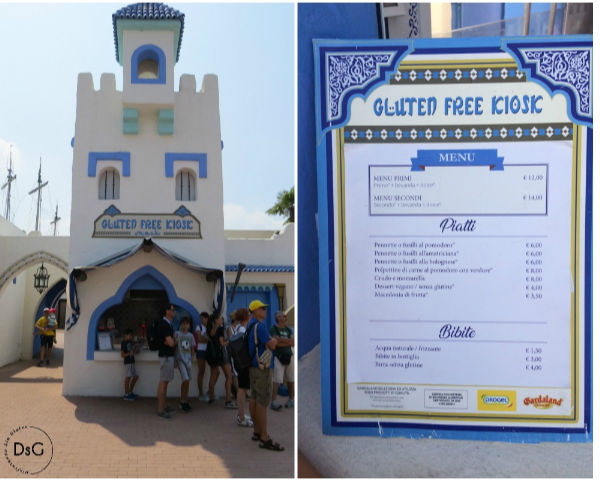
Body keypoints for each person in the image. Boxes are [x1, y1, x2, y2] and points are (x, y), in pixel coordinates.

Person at [247, 299, 284, 451]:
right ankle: (264, 436)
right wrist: (274, 340)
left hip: (252, 366)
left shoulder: (250, 325)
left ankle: (256, 431)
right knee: (262, 401)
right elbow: (272, 344)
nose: (265, 310)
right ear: (255, 311)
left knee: (254, 398)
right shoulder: (260, 326)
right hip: (262, 367)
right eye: (262, 308)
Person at [207, 315, 237, 408]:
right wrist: (230, 340)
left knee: (214, 375)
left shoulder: (210, 328)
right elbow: (222, 343)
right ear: (216, 320)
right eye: (220, 318)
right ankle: (228, 400)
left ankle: (211, 398)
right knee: (229, 376)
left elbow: (211, 335)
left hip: (213, 355)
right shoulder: (220, 329)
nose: (222, 319)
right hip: (222, 354)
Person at [230, 308, 253, 427]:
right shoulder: (243, 329)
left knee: (242, 389)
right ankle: (241, 417)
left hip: (238, 362)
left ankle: (241, 414)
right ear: (246, 317)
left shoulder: (238, 328)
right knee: (242, 389)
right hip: (243, 363)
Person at [270, 311, 294, 410]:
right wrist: (288, 342)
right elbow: (275, 342)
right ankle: (274, 401)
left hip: (289, 355)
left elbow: (293, 343)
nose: (284, 317)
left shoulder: (289, 329)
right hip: (278, 357)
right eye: (282, 316)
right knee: (277, 379)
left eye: (285, 316)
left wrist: (281, 341)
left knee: (291, 379)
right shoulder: (273, 328)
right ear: (278, 318)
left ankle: (291, 399)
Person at [156, 304, 177, 419]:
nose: (174, 312)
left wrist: (173, 341)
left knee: (165, 382)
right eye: (172, 310)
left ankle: (163, 406)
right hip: (166, 356)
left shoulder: (168, 324)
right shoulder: (164, 325)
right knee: (163, 382)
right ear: (167, 311)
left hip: (167, 356)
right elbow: (171, 343)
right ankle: (160, 409)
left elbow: (171, 341)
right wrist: (174, 341)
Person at [174, 317, 195, 412]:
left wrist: (192, 359)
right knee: (185, 379)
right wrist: (175, 360)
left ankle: (185, 400)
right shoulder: (177, 334)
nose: (185, 326)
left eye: (187, 324)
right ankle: (182, 400)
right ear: (181, 324)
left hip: (188, 361)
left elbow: (192, 348)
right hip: (180, 359)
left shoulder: (190, 336)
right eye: (183, 323)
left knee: (187, 381)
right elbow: (174, 347)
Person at [195, 311, 210, 401]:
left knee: (215, 371)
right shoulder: (198, 327)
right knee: (201, 371)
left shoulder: (209, 328)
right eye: (201, 319)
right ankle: (200, 393)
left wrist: (205, 339)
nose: (201, 320)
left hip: (208, 351)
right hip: (201, 351)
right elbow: (199, 339)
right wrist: (208, 339)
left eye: (203, 318)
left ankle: (209, 391)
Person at [121, 328, 139, 401]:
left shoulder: (131, 342)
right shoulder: (123, 342)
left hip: (132, 361)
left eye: (131, 335)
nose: (131, 337)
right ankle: (126, 394)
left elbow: (134, 350)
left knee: (135, 377)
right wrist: (129, 354)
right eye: (130, 335)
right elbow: (122, 355)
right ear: (126, 335)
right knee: (128, 377)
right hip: (128, 362)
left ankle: (130, 392)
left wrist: (136, 350)